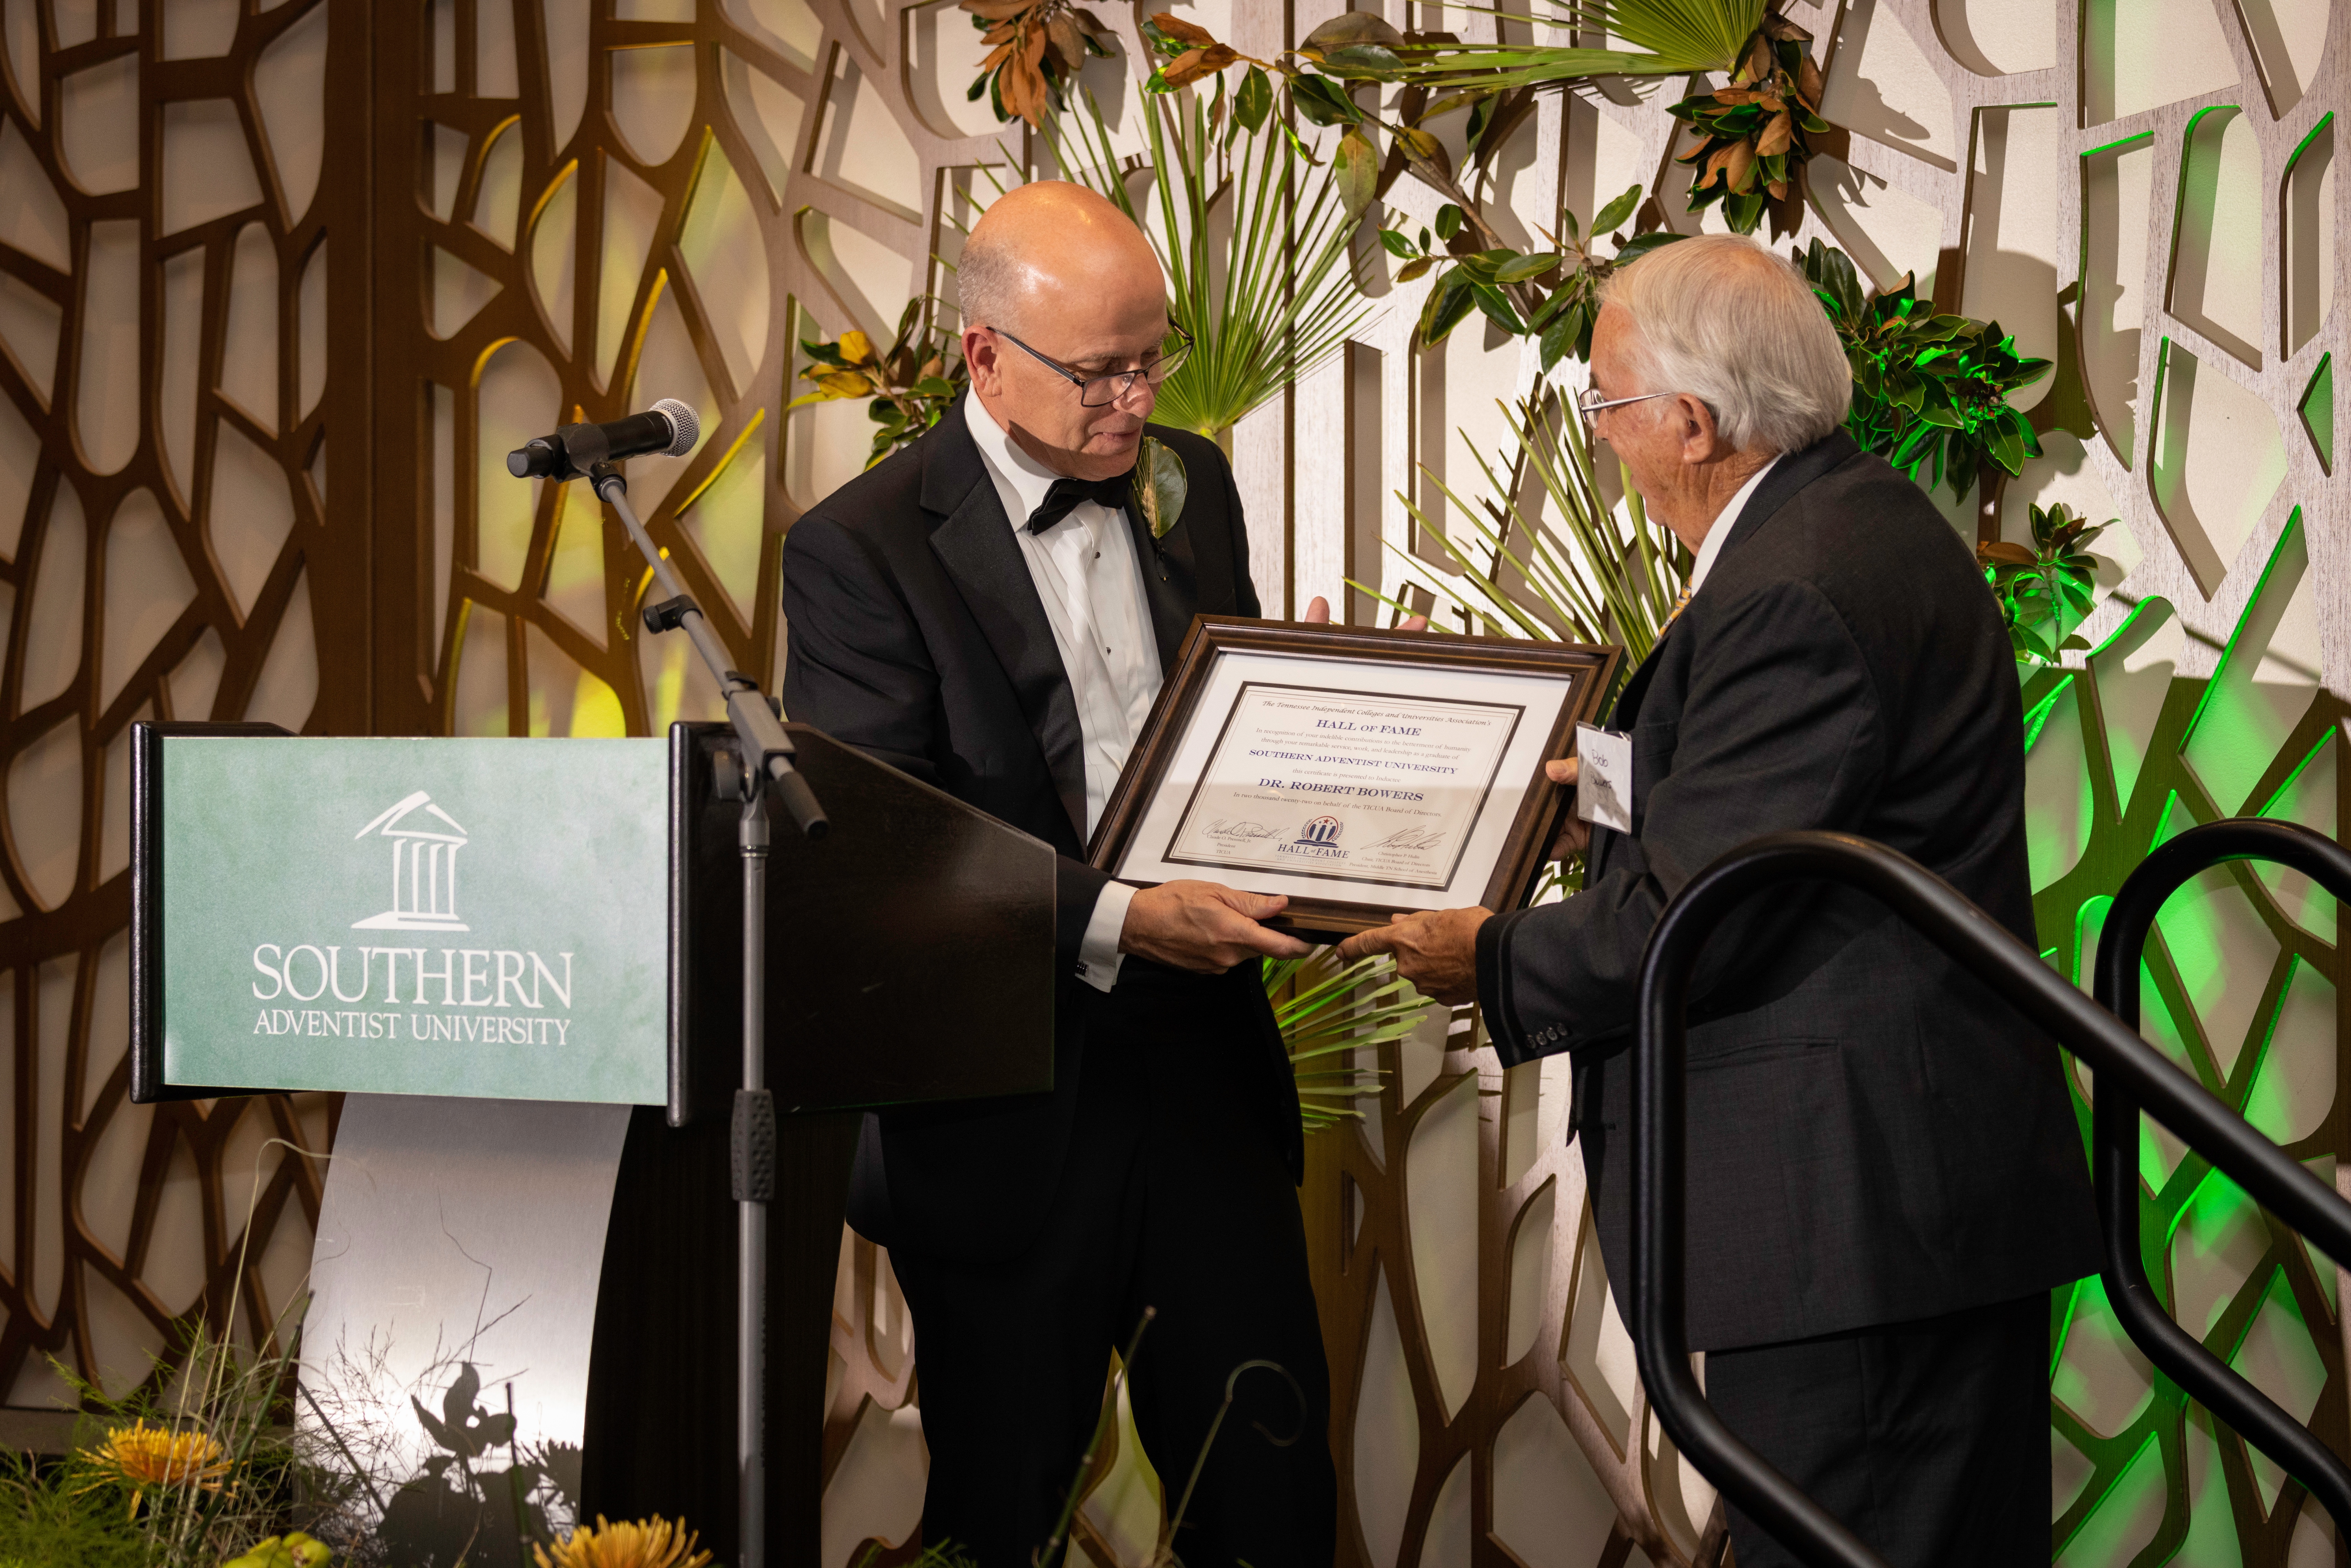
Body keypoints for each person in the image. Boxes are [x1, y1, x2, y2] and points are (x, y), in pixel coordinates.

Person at [1336, 235, 2101, 1567]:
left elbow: (1710, 914)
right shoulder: (1854, 521)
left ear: (1689, 422)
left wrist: (1492, 957)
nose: (1603, 437)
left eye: (1604, 405)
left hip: (1849, 1226)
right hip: (1891, 1213)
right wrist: (1589, 787)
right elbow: (1783, 804)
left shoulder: (1792, 584)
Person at [779, 181, 1337, 1568]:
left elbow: (1215, 732)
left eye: (1151, 358)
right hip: (1006, 1111)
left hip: (1205, 1077)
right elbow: (886, 843)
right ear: (984, 356)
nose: (1138, 400)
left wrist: (1314, 710)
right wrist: (1120, 920)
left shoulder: (1190, 481)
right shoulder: (857, 550)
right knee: (998, 1514)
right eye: (1101, 372)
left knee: (1271, 1500)